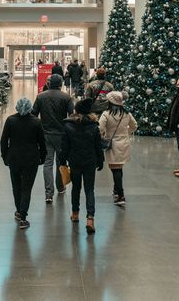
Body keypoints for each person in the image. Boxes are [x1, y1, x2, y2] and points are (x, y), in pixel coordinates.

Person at [0, 98, 47, 230]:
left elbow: (4, 141)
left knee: (16, 187)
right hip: (31, 159)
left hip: (14, 159)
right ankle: (23, 217)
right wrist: (43, 157)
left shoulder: (10, 121)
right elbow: (42, 142)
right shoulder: (36, 122)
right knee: (27, 188)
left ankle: (19, 211)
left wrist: (5, 157)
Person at [60, 98, 104, 235]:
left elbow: (64, 147)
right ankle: (90, 219)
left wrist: (62, 161)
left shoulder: (68, 126)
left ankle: (75, 214)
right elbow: (98, 146)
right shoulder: (94, 127)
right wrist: (100, 161)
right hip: (90, 162)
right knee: (89, 189)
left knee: (76, 188)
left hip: (75, 162)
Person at [32, 73, 74, 203]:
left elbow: (34, 114)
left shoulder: (41, 96)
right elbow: (72, 115)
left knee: (47, 163)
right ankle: (60, 187)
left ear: (49, 84)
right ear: (61, 84)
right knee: (60, 162)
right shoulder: (66, 97)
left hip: (45, 134)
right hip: (61, 135)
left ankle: (48, 193)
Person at [98, 91, 138, 206]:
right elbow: (134, 126)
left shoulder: (106, 114)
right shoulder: (126, 113)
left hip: (112, 144)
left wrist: (103, 136)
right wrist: (126, 132)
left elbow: (100, 129)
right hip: (124, 143)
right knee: (119, 167)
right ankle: (116, 190)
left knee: (115, 169)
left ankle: (121, 195)